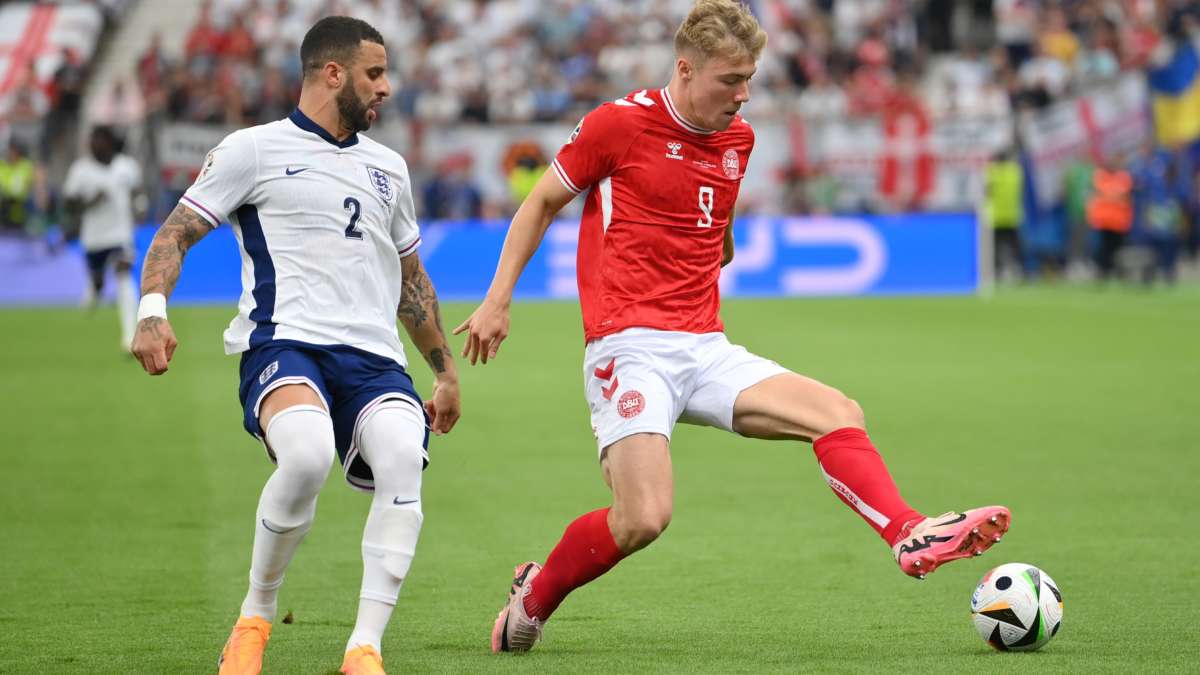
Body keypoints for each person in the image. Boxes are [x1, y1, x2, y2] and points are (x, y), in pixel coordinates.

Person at [454, 0, 1011, 655]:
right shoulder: (618, 124)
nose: (743, 94)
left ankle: (910, 532)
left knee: (838, 412)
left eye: (749, 79)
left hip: (705, 346)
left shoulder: (737, 140)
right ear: (685, 69)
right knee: (643, 517)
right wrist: (497, 300)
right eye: (730, 80)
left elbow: (715, 223)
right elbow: (541, 203)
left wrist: (715, 243)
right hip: (628, 347)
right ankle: (535, 595)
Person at [129, 17, 460, 675]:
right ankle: (253, 620)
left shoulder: (389, 168)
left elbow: (411, 283)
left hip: (374, 358)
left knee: (403, 457)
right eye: (374, 74)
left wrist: (444, 371)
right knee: (306, 455)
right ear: (332, 74)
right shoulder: (252, 150)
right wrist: (151, 311)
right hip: (285, 342)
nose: (386, 88)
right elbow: (174, 234)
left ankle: (364, 647)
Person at [62, 126, 142, 351]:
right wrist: (91, 201)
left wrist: (140, 206)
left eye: (98, 140)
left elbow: (137, 191)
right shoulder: (81, 170)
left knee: (123, 274)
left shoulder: (126, 166)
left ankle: (129, 336)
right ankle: (94, 290)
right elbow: (68, 204)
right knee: (98, 282)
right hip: (94, 239)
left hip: (121, 235)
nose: (93, 144)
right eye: (92, 140)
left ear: (109, 142)